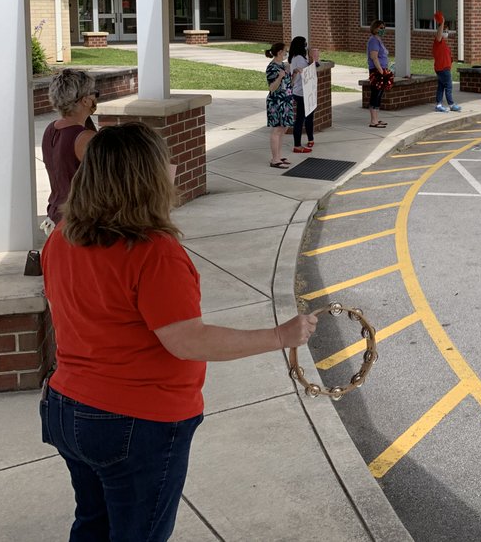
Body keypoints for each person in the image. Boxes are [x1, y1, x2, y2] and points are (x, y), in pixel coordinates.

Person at [40, 122, 318, 542]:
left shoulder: (61, 238)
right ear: (145, 176)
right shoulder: (153, 252)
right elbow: (187, 341)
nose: (173, 166)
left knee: (92, 525)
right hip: (135, 422)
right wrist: (280, 336)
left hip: (68, 409)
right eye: (164, 160)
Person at [42, 69, 99, 232]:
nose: (96, 98)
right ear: (86, 100)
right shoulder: (86, 138)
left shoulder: (51, 129)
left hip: (55, 215)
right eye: (95, 93)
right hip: (79, 223)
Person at [264, 42, 294, 168]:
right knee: (277, 129)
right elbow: (272, 88)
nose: (286, 53)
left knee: (284, 128)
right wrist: (279, 77)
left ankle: (279, 155)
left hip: (286, 101)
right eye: (285, 51)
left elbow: (289, 85)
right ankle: (275, 159)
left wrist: (295, 75)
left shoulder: (282, 65)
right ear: (279, 52)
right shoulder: (272, 68)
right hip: (276, 102)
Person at [287, 35, 320, 153]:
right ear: (301, 46)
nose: (306, 46)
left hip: (301, 91)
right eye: (305, 44)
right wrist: (313, 58)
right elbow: (307, 72)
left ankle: (310, 139)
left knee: (308, 116)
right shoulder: (299, 59)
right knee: (301, 119)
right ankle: (297, 145)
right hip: (302, 92)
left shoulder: (296, 57)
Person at [432, 12, 461, 112]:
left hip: (443, 68)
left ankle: (439, 104)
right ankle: (451, 104)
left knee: (441, 87)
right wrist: (442, 23)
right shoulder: (438, 41)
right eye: (445, 30)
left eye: (447, 30)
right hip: (443, 68)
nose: (446, 32)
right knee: (448, 86)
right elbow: (439, 34)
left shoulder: (444, 44)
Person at [366, 20, 392, 128]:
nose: (383, 30)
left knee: (379, 94)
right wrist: (381, 71)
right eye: (381, 28)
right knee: (375, 94)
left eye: (384, 28)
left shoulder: (378, 40)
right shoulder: (373, 41)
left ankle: (376, 119)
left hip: (382, 70)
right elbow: (374, 57)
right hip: (377, 71)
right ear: (375, 28)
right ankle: (373, 121)